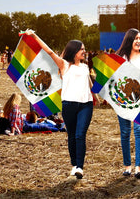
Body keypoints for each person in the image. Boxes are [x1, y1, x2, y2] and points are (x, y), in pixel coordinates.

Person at [24, 29, 93, 179]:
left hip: (86, 105)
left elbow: (87, 82)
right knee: (72, 135)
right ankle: (74, 164)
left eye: (84, 49)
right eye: (82, 49)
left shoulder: (86, 66)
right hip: (69, 105)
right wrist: (34, 35)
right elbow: (48, 51)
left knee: (80, 135)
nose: (84, 51)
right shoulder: (64, 65)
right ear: (74, 51)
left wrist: (95, 96)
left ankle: (80, 167)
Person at [115, 28, 140, 179]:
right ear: (129, 40)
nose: (139, 41)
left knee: (139, 131)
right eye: (136, 38)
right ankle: (127, 166)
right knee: (125, 133)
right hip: (123, 100)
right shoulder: (120, 57)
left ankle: (138, 167)